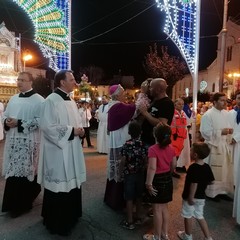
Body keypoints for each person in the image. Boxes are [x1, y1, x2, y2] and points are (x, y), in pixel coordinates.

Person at [37, 70, 86, 236]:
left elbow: (77, 121)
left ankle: (71, 215)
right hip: (58, 152)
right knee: (59, 186)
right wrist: (73, 131)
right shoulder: (51, 100)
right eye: (72, 79)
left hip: (72, 149)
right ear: (62, 82)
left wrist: (80, 130)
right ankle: (57, 222)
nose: (75, 82)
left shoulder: (70, 100)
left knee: (71, 184)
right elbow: (47, 126)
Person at [2, 71, 44, 218]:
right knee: (14, 174)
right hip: (14, 143)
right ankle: (10, 204)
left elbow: (41, 121)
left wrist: (19, 123)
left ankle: (22, 204)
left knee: (26, 173)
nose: (19, 82)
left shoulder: (39, 100)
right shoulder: (13, 99)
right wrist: (6, 122)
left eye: (22, 80)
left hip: (29, 143)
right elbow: (5, 115)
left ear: (30, 82)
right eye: (18, 79)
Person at [104, 84, 136, 210]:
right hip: (120, 140)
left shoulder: (113, 105)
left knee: (117, 169)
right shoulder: (118, 106)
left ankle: (112, 197)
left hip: (116, 138)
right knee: (120, 168)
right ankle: (118, 200)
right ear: (116, 95)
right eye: (123, 92)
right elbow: (133, 110)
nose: (125, 94)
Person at [144, 124, 177, 240]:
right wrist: (169, 172)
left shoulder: (153, 149)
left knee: (157, 209)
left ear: (155, 135)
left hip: (157, 180)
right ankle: (164, 234)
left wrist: (148, 183)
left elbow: (152, 168)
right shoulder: (172, 148)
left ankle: (156, 236)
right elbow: (174, 165)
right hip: (167, 179)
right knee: (164, 208)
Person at [200, 92, 234, 201]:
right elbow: (204, 132)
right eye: (222, 100)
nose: (225, 102)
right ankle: (211, 193)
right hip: (213, 146)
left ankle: (222, 191)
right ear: (214, 102)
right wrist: (220, 132)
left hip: (224, 145)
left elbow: (230, 127)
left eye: (225, 100)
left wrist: (230, 132)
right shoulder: (208, 115)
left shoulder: (226, 113)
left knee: (224, 170)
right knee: (213, 170)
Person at [177, 142, 215, 240]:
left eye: (191, 150)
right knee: (199, 215)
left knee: (188, 215)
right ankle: (208, 237)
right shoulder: (207, 167)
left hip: (190, 197)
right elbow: (211, 182)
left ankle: (188, 236)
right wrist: (203, 184)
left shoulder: (193, 168)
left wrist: (190, 197)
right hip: (201, 197)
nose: (189, 151)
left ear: (195, 155)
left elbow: (194, 184)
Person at [120, 121, 148, 230]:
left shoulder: (126, 145)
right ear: (141, 132)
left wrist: (120, 172)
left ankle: (130, 221)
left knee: (129, 197)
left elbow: (123, 161)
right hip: (140, 174)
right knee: (139, 196)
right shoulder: (143, 145)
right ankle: (139, 216)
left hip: (129, 174)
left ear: (129, 132)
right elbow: (146, 160)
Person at [140, 78, 174, 147]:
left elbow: (162, 123)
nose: (149, 89)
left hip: (153, 143)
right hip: (146, 139)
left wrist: (145, 113)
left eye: (151, 87)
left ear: (158, 90)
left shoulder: (167, 103)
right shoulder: (155, 99)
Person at [228, 90, 240, 224]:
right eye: (238, 98)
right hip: (230, 142)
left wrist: (236, 138)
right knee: (231, 163)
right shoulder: (231, 112)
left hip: (238, 142)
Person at [171, 98, 188, 178]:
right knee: (172, 155)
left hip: (181, 138)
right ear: (175, 105)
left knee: (177, 155)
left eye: (182, 104)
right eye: (179, 104)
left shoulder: (183, 113)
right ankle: (170, 171)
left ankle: (172, 171)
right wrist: (173, 133)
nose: (181, 106)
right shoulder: (172, 113)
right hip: (174, 137)